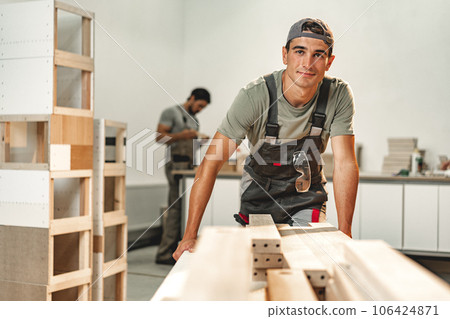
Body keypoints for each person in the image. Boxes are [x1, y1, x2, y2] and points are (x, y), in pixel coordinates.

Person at [173, 18, 359, 261]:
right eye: (299, 52)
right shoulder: (255, 96)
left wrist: (344, 233)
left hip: (306, 194)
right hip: (259, 197)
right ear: (285, 55)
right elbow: (210, 164)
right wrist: (189, 235)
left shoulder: (338, 95)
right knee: (261, 264)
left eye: (318, 55)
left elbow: (345, 164)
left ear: (329, 62)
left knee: (307, 259)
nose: (307, 63)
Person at [155, 88, 211, 265]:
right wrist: (183, 135)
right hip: (175, 165)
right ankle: (165, 253)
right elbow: (159, 137)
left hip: (188, 165)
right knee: (175, 208)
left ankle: (179, 249)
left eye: (203, 108)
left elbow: (192, 147)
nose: (200, 109)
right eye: (200, 105)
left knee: (186, 208)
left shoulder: (195, 121)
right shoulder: (171, 112)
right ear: (192, 98)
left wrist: (199, 143)